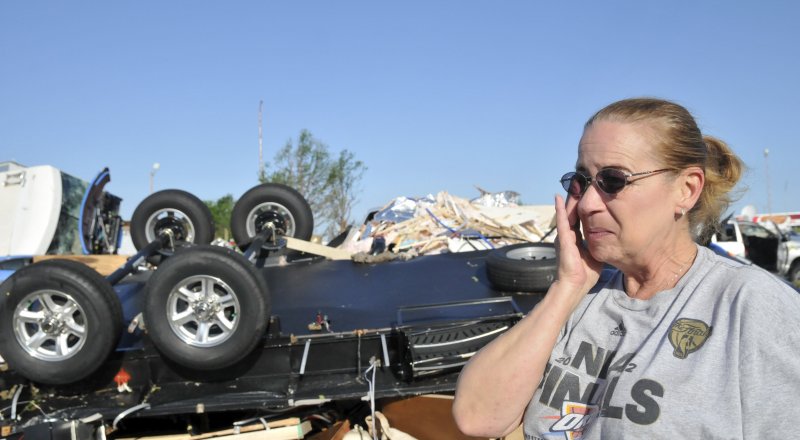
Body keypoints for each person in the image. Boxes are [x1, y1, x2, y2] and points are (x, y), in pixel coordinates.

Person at [452, 97, 800, 439]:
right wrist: (567, 287)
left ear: (686, 189)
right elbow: (477, 417)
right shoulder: (581, 296)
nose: (587, 203)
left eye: (613, 180)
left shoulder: (748, 305)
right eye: (581, 181)